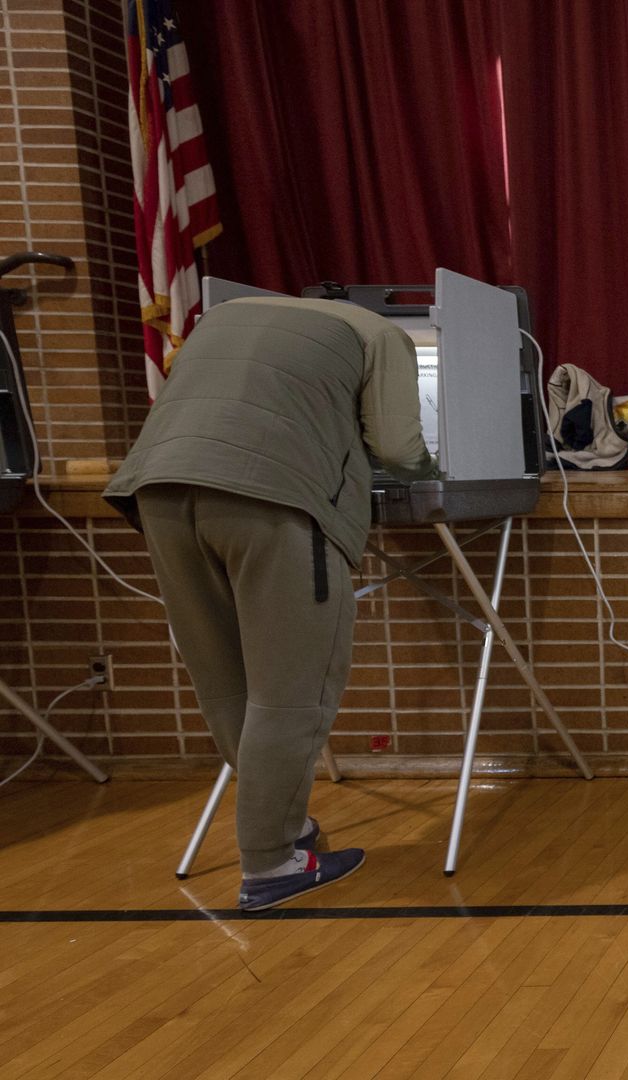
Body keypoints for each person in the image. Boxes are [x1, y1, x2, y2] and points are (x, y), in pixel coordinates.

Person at [104, 297, 436, 911]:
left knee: (225, 680)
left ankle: (283, 826)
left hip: (158, 491)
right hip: (274, 498)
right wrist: (435, 466)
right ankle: (272, 864)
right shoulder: (381, 333)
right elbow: (395, 446)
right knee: (293, 688)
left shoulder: (223, 315)